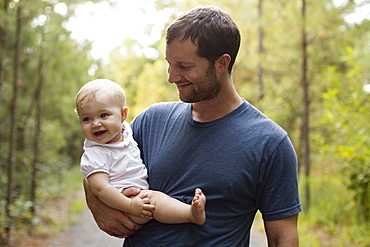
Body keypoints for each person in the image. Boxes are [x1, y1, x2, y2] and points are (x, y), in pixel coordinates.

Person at [85, 5, 302, 246]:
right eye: (169, 64)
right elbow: (97, 157)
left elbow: (283, 237)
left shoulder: (270, 143)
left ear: (222, 63)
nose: (171, 76)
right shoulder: (152, 120)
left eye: (184, 67)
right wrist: (94, 201)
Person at [76, 79, 206, 229]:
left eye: (104, 115)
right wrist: (130, 205)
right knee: (153, 200)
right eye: (87, 119)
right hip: (124, 204)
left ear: (123, 115)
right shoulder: (95, 153)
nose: (96, 124)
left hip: (133, 198)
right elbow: (100, 189)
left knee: (152, 198)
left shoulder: (125, 131)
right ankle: (190, 214)